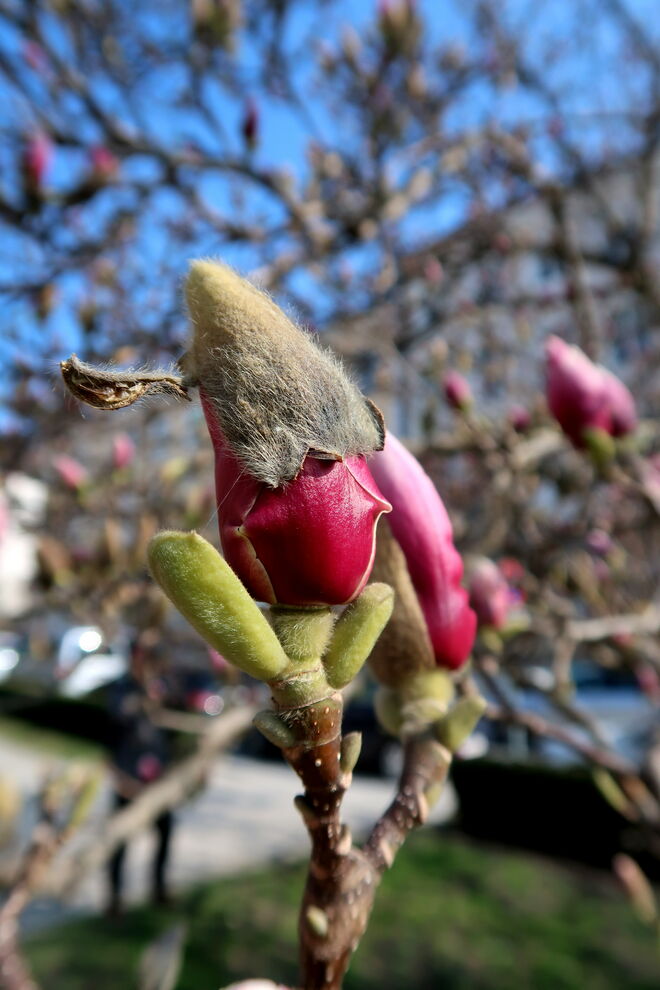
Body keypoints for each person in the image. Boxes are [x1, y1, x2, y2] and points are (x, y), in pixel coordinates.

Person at [106, 634, 174, 916]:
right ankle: (115, 900)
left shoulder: (160, 689)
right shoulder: (122, 689)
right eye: (146, 656)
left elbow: (169, 728)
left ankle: (158, 890)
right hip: (128, 780)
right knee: (120, 843)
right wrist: (119, 778)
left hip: (156, 782)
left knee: (165, 833)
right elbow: (116, 723)